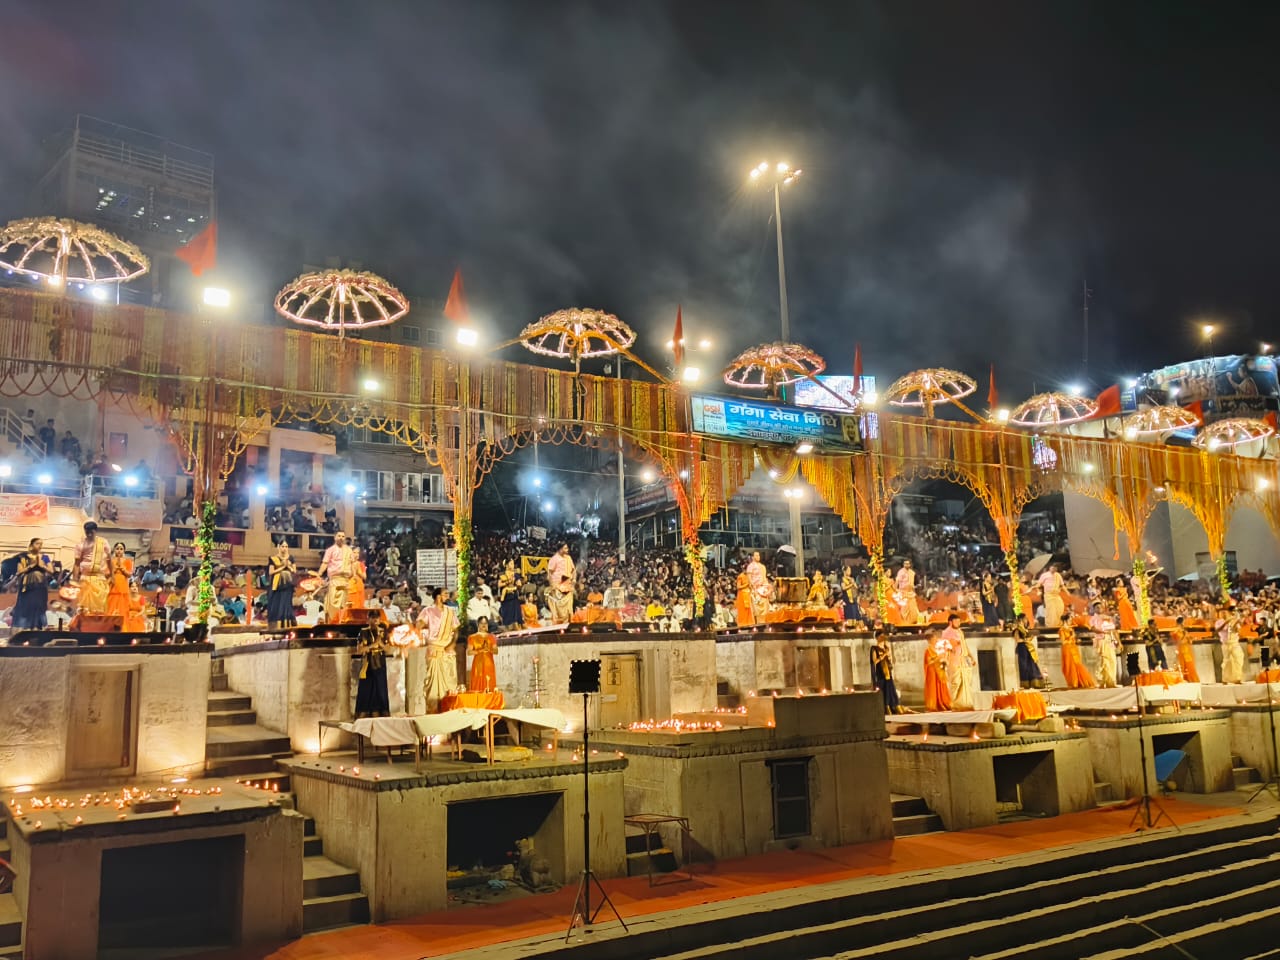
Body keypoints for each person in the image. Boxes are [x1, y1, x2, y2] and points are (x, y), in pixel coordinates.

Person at [420, 587, 459, 710]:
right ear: (438, 597)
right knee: (432, 682)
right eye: (445, 594)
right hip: (434, 649)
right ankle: (433, 709)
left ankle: (448, 709)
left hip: (447, 650)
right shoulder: (427, 611)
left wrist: (452, 644)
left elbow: (456, 630)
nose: (448, 596)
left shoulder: (450, 611)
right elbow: (419, 625)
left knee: (449, 681)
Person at [314, 531, 355, 622]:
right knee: (333, 602)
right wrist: (319, 574)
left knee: (344, 602)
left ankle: (342, 621)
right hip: (335, 579)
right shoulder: (330, 550)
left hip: (345, 580)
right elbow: (325, 563)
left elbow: (352, 564)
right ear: (335, 537)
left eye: (343, 536)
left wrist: (354, 575)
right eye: (339, 536)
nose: (341, 538)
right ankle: (333, 621)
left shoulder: (349, 550)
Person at [72, 521, 112, 615]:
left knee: (100, 606)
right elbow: (77, 564)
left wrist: (112, 575)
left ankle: (99, 627)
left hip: (99, 579)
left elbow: (109, 560)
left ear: (96, 531)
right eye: (87, 532)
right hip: (85, 578)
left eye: (91, 532)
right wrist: (74, 580)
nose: (89, 535)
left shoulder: (103, 543)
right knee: (84, 607)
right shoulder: (80, 545)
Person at [11, 538, 51, 629]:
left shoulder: (45, 557)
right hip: (27, 587)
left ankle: (39, 627)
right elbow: (19, 572)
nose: (40, 546)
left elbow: (51, 570)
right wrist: (31, 566)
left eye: (41, 544)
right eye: (37, 543)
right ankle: (24, 628)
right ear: (31, 545)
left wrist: (42, 566)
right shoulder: (23, 557)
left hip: (40, 587)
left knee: (39, 607)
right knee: (26, 607)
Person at [354, 620, 391, 718]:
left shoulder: (383, 632)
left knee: (380, 690)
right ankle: (363, 715)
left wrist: (380, 643)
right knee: (366, 690)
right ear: (368, 619)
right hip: (368, 664)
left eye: (377, 619)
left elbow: (388, 649)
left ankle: (381, 715)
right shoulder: (363, 632)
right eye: (372, 619)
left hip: (380, 664)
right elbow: (359, 650)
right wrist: (373, 645)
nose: (375, 621)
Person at [941, 613, 975, 710]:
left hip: (963, 660)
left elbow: (965, 645)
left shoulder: (960, 632)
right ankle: (954, 704)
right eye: (956, 621)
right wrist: (952, 646)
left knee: (965, 681)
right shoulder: (946, 632)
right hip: (953, 660)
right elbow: (944, 646)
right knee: (955, 682)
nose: (958, 623)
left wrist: (971, 657)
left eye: (959, 621)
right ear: (950, 622)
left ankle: (964, 704)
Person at [266, 541, 298, 630]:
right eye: (283, 546)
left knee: (287, 603)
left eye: (286, 546)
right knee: (277, 603)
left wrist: (289, 566)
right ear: (279, 547)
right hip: (278, 585)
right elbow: (271, 572)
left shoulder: (291, 558)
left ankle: (287, 624)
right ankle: (276, 625)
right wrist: (282, 567)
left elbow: (294, 571)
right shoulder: (273, 558)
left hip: (288, 585)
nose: (285, 548)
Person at [466, 616, 499, 693]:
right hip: (478, 664)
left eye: (485, 623)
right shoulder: (472, 637)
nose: (484, 625)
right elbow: (469, 652)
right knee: (478, 683)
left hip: (489, 664)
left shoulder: (491, 637)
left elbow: (496, 651)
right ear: (478, 624)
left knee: (489, 683)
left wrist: (489, 649)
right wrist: (480, 650)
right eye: (481, 623)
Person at [1059, 622, 1096, 689]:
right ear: (1066, 620)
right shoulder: (1062, 630)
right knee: (1069, 666)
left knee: (1077, 665)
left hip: (1074, 648)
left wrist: (1075, 639)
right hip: (1067, 649)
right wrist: (1071, 637)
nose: (1071, 619)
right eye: (1070, 618)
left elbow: (1074, 639)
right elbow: (1063, 642)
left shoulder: (1071, 629)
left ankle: (1080, 682)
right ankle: (1073, 682)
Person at [546, 543, 576, 624]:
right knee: (558, 609)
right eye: (565, 548)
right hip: (557, 586)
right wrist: (552, 585)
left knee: (568, 608)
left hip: (567, 585)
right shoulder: (554, 559)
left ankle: (568, 624)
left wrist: (574, 580)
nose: (567, 550)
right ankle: (558, 625)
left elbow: (573, 570)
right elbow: (550, 573)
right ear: (560, 549)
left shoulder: (569, 558)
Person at [1012, 613, 1044, 688]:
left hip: (1027, 647)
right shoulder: (1017, 629)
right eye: (1025, 619)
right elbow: (1017, 640)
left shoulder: (1024, 628)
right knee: (1024, 665)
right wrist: (1026, 640)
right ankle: (1025, 683)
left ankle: (1034, 682)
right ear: (1021, 619)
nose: (1026, 620)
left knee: (1031, 664)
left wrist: (1028, 639)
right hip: (1022, 648)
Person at [871, 631, 900, 714]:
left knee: (890, 688)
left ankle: (893, 705)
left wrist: (889, 657)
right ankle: (885, 707)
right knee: (883, 689)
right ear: (877, 638)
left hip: (887, 671)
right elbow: (874, 662)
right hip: (880, 672)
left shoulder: (886, 648)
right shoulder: (874, 649)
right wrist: (883, 655)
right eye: (881, 636)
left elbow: (890, 660)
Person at [1091, 607, 1120, 688]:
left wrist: (1119, 642)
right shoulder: (1096, 619)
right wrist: (1103, 632)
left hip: (1110, 641)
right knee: (1102, 662)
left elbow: (1114, 631)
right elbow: (1093, 629)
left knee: (1112, 661)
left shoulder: (1109, 619)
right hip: (1102, 641)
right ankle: (1101, 682)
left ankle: (1111, 682)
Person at [923, 635, 952, 711]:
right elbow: (929, 662)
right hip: (932, 672)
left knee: (941, 686)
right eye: (934, 639)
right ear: (930, 640)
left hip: (939, 670)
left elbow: (941, 657)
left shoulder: (938, 649)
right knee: (933, 687)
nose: (936, 640)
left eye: (936, 639)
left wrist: (944, 660)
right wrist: (938, 658)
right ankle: (934, 705)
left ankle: (943, 702)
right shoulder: (928, 650)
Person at [106, 542, 133, 623]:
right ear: (114, 550)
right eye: (117, 548)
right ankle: (110, 624)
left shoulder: (128, 561)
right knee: (111, 606)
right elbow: (106, 574)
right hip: (113, 585)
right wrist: (113, 570)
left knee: (123, 607)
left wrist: (122, 568)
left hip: (123, 586)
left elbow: (129, 574)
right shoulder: (110, 561)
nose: (119, 551)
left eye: (121, 549)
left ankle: (123, 625)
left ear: (124, 550)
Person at [746, 551, 772, 623]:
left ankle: (765, 622)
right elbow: (749, 578)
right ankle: (758, 623)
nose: (758, 557)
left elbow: (764, 577)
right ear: (753, 557)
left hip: (763, 588)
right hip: (756, 589)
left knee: (765, 606)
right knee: (757, 607)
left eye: (759, 555)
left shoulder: (762, 566)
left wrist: (767, 588)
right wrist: (753, 587)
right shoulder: (750, 566)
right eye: (756, 555)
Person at [1172, 616, 1200, 682]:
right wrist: (1186, 639)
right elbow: (1179, 641)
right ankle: (1183, 680)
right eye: (1184, 622)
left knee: (1190, 665)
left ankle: (1191, 680)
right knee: (1182, 665)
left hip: (1188, 650)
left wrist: (1190, 639)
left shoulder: (1185, 631)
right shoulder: (1176, 632)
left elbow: (1189, 640)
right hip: (1182, 651)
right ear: (1181, 623)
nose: (1185, 624)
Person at [1221, 613, 1246, 684]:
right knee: (1227, 661)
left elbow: (1236, 630)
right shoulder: (1223, 624)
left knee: (1238, 659)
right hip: (1227, 645)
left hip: (1235, 644)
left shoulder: (1236, 624)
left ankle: (1237, 678)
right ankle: (1225, 679)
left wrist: (1238, 622)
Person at [498, 560, 522, 628]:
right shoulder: (502, 574)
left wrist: (518, 584)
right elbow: (499, 585)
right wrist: (507, 582)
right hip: (506, 597)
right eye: (511, 563)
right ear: (506, 565)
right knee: (508, 617)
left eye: (513, 563)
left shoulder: (515, 574)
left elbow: (519, 584)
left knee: (516, 618)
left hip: (514, 596)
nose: (513, 565)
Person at [895, 560, 920, 624]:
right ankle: (904, 622)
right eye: (905, 564)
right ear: (903, 564)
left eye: (908, 564)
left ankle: (913, 622)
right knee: (904, 610)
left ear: (910, 565)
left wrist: (915, 587)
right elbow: (897, 583)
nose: (907, 565)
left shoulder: (912, 573)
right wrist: (896, 590)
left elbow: (917, 583)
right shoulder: (900, 572)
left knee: (913, 609)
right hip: (903, 593)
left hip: (911, 593)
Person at [346, 547, 367, 613]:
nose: (356, 554)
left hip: (359, 587)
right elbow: (347, 576)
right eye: (354, 552)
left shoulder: (361, 564)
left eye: (358, 553)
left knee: (360, 606)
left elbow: (364, 577)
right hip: (350, 588)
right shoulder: (346, 564)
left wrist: (358, 572)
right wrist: (353, 568)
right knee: (351, 607)